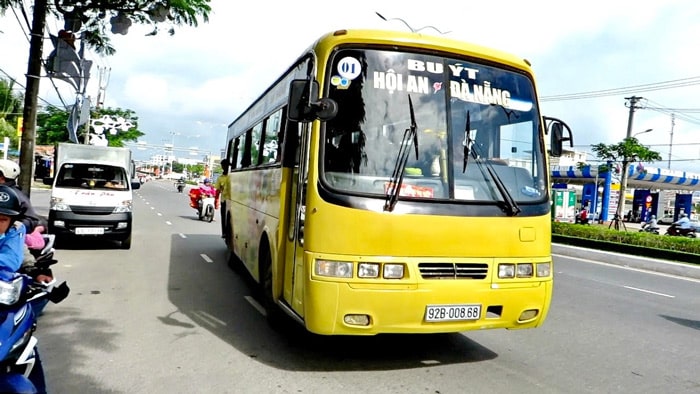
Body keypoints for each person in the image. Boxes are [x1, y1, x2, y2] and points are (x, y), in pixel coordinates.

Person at [213, 159, 231, 238]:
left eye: (226, 166)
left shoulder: (232, 176)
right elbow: (217, 191)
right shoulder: (220, 178)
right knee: (224, 217)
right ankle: (224, 233)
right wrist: (216, 201)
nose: (224, 167)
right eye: (223, 166)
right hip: (224, 200)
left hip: (233, 200)